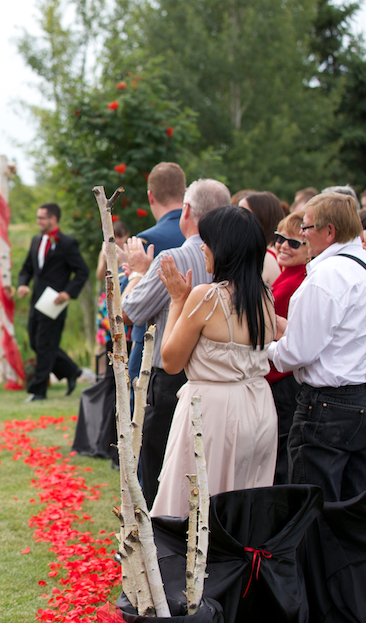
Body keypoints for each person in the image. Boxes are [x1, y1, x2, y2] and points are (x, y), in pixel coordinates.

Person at [151, 205, 278, 517]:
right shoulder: (264, 296)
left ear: (225, 248)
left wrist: (178, 300)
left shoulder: (207, 296)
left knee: (194, 502)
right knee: (243, 498)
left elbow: (170, 361)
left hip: (214, 412)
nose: (203, 246)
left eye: (207, 240)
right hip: (259, 406)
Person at [269, 193, 366, 502]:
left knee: (313, 508)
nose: (303, 235)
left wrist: (263, 349)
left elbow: (296, 354)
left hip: (329, 406)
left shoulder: (327, 275)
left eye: (307, 228)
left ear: (329, 231)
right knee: (353, 509)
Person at [122, 178, 231, 507]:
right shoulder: (234, 258)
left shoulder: (174, 258)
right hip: (216, 377)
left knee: (160, 470)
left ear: (187, 210)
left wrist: (138, 274)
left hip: (171, 376)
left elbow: (130, 311)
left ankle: (162, 547)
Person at [15, 202, 89, 401]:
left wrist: (68, 293)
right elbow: (27, 268)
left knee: (45, 344)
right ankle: (71, 370)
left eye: (41, 218)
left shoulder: (67, 243)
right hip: (36, 300)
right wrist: (22, 284)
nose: (38, 221)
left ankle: (39, 390)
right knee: (35, 341)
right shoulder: (36, 240)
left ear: (53, 219)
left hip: (54, 302)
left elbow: (82, 271)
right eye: (38, 217)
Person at [126, 163, 187, 381]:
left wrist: (133, 274)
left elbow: (128, 308)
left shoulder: (147, 240)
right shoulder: (203, 234)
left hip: (154, 347)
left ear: (150, 196)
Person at [266, 212, 310, 484]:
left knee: (281, 458)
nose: (283, 246)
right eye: (280, 238)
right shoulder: (289, 276)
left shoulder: (297, 281)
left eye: (293, 243)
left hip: (282, 379)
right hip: (280, 377)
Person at [239, 191, 283, 285]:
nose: (236, 219)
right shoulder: (276, 253)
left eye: (244, 214)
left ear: (262, 219)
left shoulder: (264, 257)